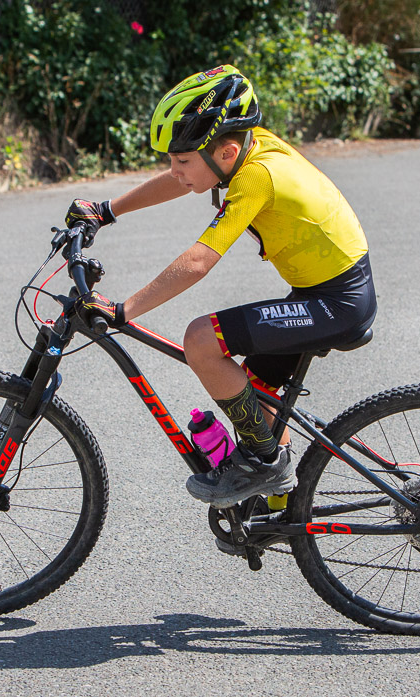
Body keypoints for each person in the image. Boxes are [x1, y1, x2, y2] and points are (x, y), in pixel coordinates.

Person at [64, 65, 376, 510]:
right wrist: (107, 209)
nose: (175, 171)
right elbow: (184, 179)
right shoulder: (246, 147)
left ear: (226, 152)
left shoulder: (257, 176)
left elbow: (197, 262)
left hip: (338, 302)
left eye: (182, 160)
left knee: (201, 340)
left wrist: (123, 310)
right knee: (259, 386)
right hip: (324, 292)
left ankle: (263, 464)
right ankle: (279, 510)